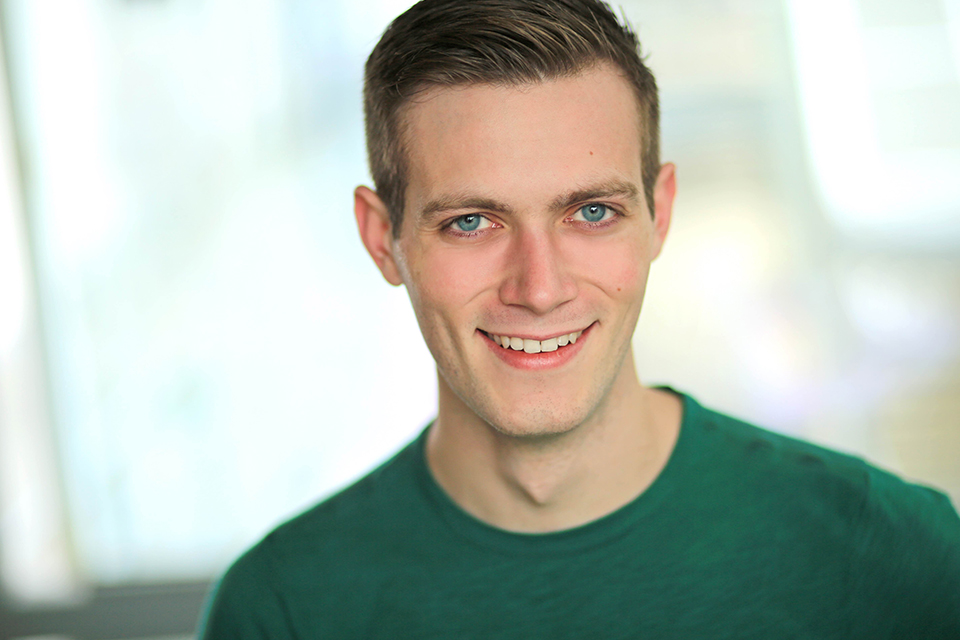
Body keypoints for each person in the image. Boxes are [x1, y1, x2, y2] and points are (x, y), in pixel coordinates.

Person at [199, 0, 960, 637]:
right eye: (471, 222)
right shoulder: (283, 610)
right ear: (381, 239)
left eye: (592, 212)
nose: (539, 288)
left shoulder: (893, 556)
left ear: (660, 214)